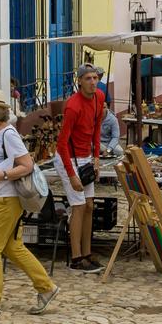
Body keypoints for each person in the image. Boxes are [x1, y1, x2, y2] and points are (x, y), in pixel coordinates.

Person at [0, 87, 58, 316]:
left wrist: (1, 176)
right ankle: (46, 288)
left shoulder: (9, 134)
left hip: (6, 198)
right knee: (12, 247)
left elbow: (26, 165)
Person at [56, 63, 106, 272]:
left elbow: (96, 127)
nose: (92, 82)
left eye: (95, 78)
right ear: (79, 81)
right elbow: (61, 143)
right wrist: (71, 175)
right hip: (69, 159)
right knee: (77, 207)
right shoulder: (73, 106)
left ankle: (87, 252)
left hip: (86, 158)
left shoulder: (99, 97)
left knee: (89, 206)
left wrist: (96, 157)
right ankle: (75, 258)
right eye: (88, 78)